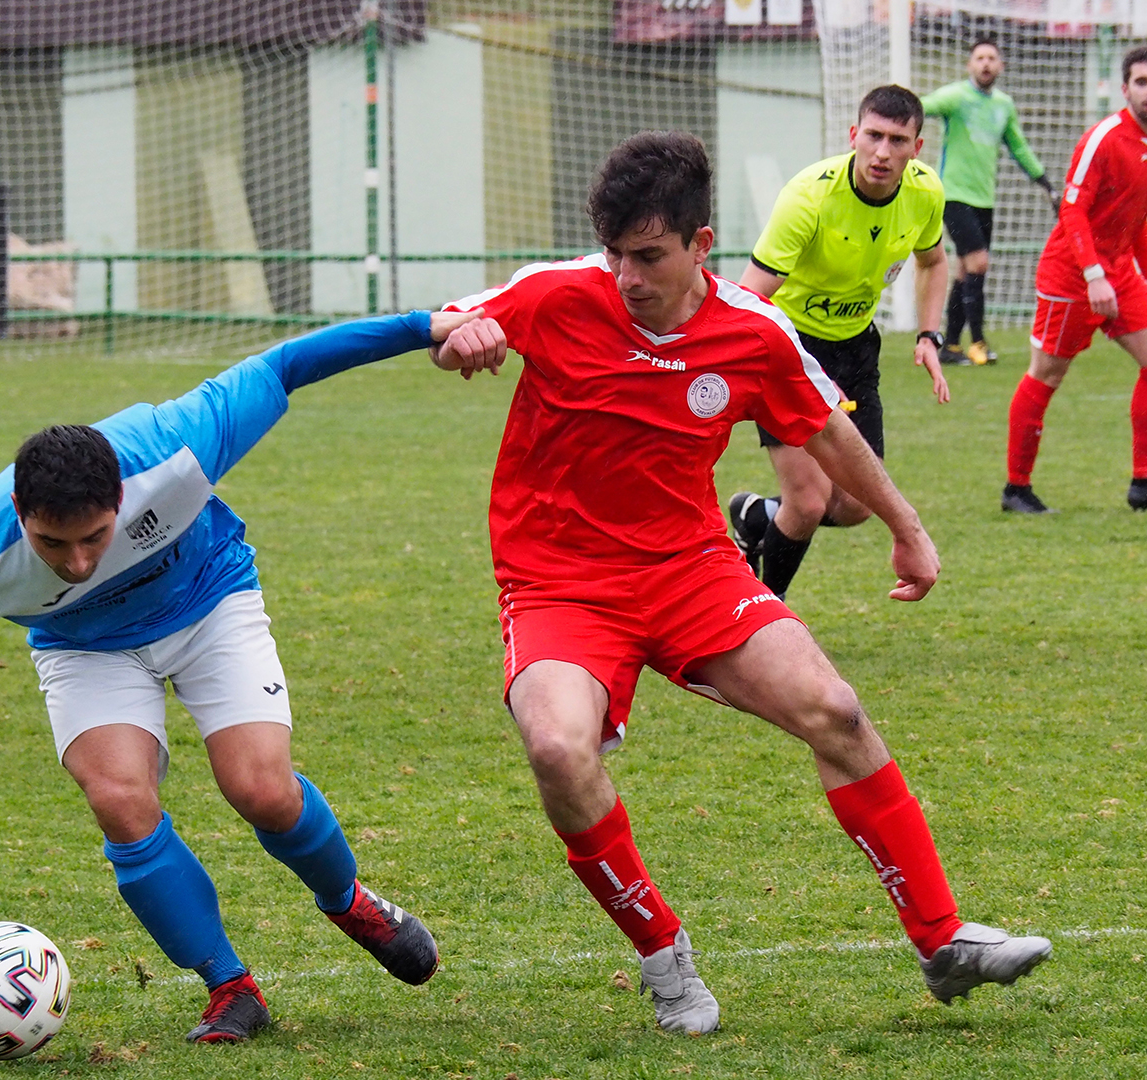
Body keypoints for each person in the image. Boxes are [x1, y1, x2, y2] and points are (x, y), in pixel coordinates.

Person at [0, 310, 495, 1043]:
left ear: (121, 493)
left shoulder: (177, 441)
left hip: (207, 601)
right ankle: (231, 987)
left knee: (260, 788)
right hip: (83, 647)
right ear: (21, 512)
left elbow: (288, 364)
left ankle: (349, 902)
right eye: (55, 544)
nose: (80, 560)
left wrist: (429, 326)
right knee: (120, 799)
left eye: (94, 536)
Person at [433, 131, 1050, 1036]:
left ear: (699, 244)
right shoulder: (557, 291)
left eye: (648, 256)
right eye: (615, 255)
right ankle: (663, 956)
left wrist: (907, 528)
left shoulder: (753, 331)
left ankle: (942, 939)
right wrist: (464, 335)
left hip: (691, 569)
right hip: (559, 581)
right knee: (560, 752)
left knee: (835, 709)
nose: (628, 276)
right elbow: (451, 326)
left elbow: (830, 431)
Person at [725, 85, 952, 601]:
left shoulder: (926, 192)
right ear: (854, 136)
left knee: (855, 506)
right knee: (807, 501)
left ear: (917, 149)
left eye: (898, 140)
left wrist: (928, 334)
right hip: (789, 346)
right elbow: (750, 294)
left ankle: (754, 515)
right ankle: (768, 612)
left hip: (855, 349)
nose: (882, 152)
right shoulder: (810, 197)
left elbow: (934, 262)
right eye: (873, 136)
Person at [1005, 45, 1147, 515]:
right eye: (1142, 82)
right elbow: (1072, 209)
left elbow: (1136, 217)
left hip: (1118, 272)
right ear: (1125, 88)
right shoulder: (1104, 138)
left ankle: (1146, 483)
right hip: (1072, 273)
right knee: (1046, 375)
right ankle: (1017, 488)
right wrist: (1093, 275)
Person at [921, 36, 1057, 366]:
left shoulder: (1003, 105)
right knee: (979, 263)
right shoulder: (955, 97)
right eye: (979, 57)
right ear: (970, 64)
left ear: (1000, 66)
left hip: (984, 198)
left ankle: (951, 347)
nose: (985, 63)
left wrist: (1047, 185)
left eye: (991, 58)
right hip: (953, 194)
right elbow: (920, 106)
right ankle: (978, 342)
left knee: (966, 272)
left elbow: (1019, 147)